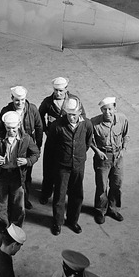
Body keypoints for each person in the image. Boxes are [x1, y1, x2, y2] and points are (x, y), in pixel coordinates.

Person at [0, 111, 40, 232]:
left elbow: (36, 153)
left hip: (18, 177)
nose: (11, 131)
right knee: (1, 206)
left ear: (18, 125)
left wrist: (27, 161)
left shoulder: (26, 139)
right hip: (1, 176)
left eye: (13, 128)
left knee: (18, 205)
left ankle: (16, 229)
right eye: (8, 128)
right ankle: (3, 228)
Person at [45, 97, 93, 235]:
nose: (72, 117)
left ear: (80, 112)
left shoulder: (87, 125)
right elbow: (50, 148)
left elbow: (87, 143)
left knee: (77, 194)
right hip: (62, 166)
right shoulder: (57, 126)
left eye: (74, 114)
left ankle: (72, 220)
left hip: (78, 165)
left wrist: (78, 156)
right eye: (69, 114)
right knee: (60, 194)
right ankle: (57, 222)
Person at [38, 77, 86, 205]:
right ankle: (46, 192)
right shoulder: (48, 102)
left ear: (66, 89)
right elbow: (39, 116)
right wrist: (46, 130)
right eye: (55, 90)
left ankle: (68, 191)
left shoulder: (74, 101)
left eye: (60, 90)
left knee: (67, 169)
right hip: (53, 141)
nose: (58, 93)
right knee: (48, 168)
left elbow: (83, 119)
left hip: (69, 141)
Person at [0, 86, 43, 210]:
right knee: (10, 172)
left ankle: (25, 198)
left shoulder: (32, 109)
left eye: (22, 100)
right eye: (17, 100)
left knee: (26, 174)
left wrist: (37, 145)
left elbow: (39, 127)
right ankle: (9, 198)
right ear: (12, 98)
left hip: (27, 146)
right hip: (11, 145)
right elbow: (0, 128)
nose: (20, 103)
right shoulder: (5, 110)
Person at [90, 96, 129, 224]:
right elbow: (89, 140)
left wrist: (123, 149)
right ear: (101, 110)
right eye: (104, 109)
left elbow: (126, 135)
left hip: (118, 157)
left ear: (115, 108)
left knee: (116, 184)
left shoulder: (122, 119)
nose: (108, 112)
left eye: (110, 109)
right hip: (103, 158)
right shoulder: (94, 123)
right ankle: (100, 210)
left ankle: (113, 209)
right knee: (102, 186)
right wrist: (98, 151)